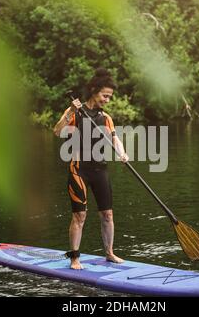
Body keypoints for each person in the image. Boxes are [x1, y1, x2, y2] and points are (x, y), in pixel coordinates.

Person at [53, 68, 129, 270]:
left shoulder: (106, 117)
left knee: (108, 214)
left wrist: (122, 153)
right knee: (80, 216)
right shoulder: (76, 112)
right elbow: (57, 131)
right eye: (105, 95)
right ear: (94, 91)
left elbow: (115, 139)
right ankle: (75, 258)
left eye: (110, 97)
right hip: (79, 169)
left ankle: (110, 253)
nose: (107, 100)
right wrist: (69, 110)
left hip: (100, 170)